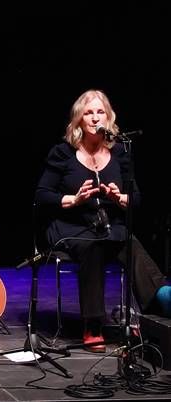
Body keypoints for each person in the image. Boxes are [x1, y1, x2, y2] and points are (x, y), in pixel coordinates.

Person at [35, 89, 171, 353]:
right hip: (70, 226)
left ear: (109, 118)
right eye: (89, 113)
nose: (95, 118)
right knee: (93, 245)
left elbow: (137, 199)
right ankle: (93, 324)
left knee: (129, 242)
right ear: (78, 120)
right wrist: (74, 200)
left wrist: (120, 197)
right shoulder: (62, 153)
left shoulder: (120, 152)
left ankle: (159, 302)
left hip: (108, 224)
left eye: (100, 112)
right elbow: (42, 195)